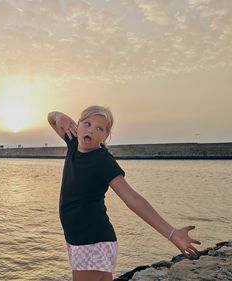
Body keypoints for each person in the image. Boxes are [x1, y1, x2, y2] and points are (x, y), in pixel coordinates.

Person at [47, 106, 201, 281]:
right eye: (87, 123)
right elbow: (52, 119)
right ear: (77, 125)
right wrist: (59, 116)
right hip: (82, 239)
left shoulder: (103, 160)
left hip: (91, 241)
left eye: (100, 128)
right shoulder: (74, 143)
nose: (91, 129)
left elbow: (132, 198)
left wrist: (172, 233)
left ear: (105, 136)